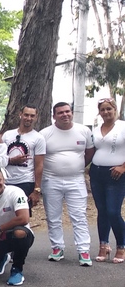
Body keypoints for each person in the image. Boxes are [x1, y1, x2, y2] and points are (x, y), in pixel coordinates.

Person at [39, 102, 94, 265]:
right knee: (53, 216)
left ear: (72, 113)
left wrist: (74, 168)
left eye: (67, 111)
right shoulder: (45, 133)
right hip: (51, 180)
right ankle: (57, 247)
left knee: (79, 216)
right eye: (60, 113)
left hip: (76, 180)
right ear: (54, 116)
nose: (65, 115)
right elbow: (40, 158)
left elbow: (89, 153)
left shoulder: (84, 131)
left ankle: (83, 251)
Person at [89, 97, 125, 263]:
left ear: (115, 109)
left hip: (116, 174)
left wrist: (123, 166)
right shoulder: (96, 129)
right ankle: (104, 245)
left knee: (113, 211)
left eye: (109, 109)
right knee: (102, 210)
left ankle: (121, 246)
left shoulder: (122, 127)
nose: (106, 112)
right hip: (97, 173)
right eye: (102, 109)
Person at [0, 105, 45, 213]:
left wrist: (37, 190)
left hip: (25, 181)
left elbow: (39, 165)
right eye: (26, 115)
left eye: (32, 116)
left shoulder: (38, 138)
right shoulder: (7, 135)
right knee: (4, 213)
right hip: (6, 181)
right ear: (20, 114)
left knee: (21, 215)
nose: (28, 118)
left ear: (36, 117)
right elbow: (0, 157)